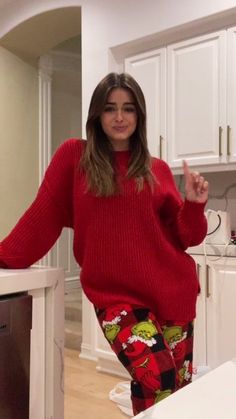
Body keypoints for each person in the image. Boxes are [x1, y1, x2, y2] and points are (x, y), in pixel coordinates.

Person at [0, 72, 209, 415]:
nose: (119, 117)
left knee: (173, 397)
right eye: (110, 108)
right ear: (97, 114)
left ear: (139, 116)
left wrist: (195, 204)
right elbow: (40, 219)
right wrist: (5, 255)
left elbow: (187, 237)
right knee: (160, 380)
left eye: (128, 109)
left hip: (173, 292)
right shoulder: (74, 157)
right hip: (117, 301)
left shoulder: (156, 170)